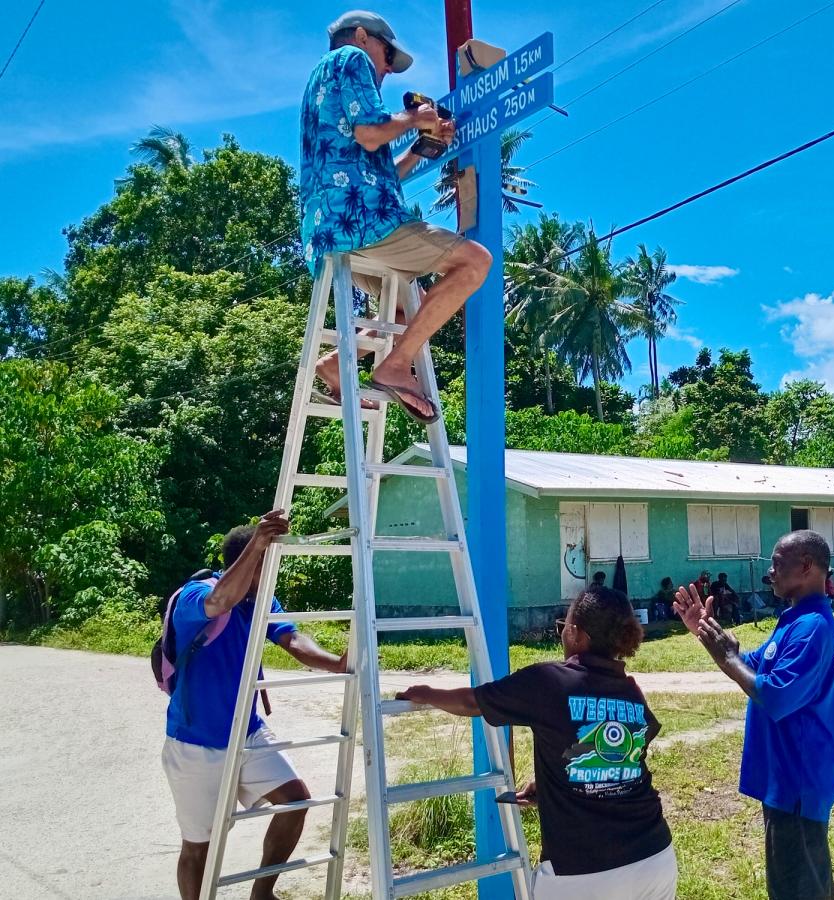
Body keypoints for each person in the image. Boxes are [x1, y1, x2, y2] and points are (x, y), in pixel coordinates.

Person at [397, 586, 677, 898]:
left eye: (563, 627)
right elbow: (628, 754)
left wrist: (425, 694)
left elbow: (473, 702)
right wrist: (552, 786)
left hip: (580, 873)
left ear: (574, 633)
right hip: (654, 857)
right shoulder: (630, 691)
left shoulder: (548, 682)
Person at [300, 11, 494, 424]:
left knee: (413, 308)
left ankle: (336, 364)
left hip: (334, 231)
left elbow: (375, 165)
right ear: (359, 36)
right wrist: (417, 119)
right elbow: (371, 133)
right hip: (364, 222)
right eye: (387, 54)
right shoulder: (350, 60)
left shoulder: (320, 88)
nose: (387, 68)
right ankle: (394, 366)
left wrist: (422, 146)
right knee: (475, 262)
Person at [162, 510, 348, 900]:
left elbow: (293, 640)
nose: (274, 572)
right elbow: (219, 601)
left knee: (295, 801)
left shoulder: (264, 600)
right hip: (196, 743)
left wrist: (337, 663)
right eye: (269, 561)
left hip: (247, 733)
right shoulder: (196, 595)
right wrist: (258, 542)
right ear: (248, 558)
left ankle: (262, 894)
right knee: (200, 847)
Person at [674, 531, 834, 900]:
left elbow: (775, 694)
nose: (771, 573)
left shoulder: (811, 627)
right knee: (806, 881)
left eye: (778, 564)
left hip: (797, 779)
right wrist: (709, 635)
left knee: (797, 887)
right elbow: (756, 667)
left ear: (805, 566)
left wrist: (729, 657)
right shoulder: (795, 619)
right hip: (787, 776)